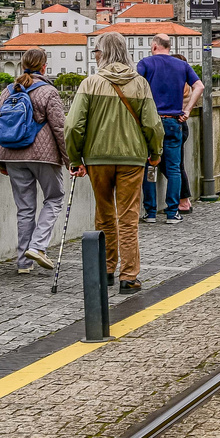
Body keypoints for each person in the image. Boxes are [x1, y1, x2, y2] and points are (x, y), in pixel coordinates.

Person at [65, 31, 164, 295]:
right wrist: (155, 153)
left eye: (96, 52)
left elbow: (74, 126)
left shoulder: (90, 83)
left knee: (104, 214)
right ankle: (129, 276)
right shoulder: (139, 83)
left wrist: (76, 158)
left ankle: (107, 269)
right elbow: (153, 125)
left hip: (98, 159)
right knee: (128, 217)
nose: (95, 56)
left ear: (103, 54)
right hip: (132, 158)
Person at [0, 48, 69, 275]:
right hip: (43, 156)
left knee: (25, 209)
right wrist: (69, 159)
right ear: (44, 66)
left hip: (12, 155)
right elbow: (59, 129)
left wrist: (0, 159)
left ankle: (23, 263)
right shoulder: (48, 91)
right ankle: (37, 247)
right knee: (54, 198)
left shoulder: (8, 91)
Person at [137, 32, 202, 224]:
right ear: (169, 47)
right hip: (174, 121)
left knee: (150, 165)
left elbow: (136, 88)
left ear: (155, 46)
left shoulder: (145, 63)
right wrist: (187, 110)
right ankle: (172, 212)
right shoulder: (182, 65)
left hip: (151, 122)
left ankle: (150, 213)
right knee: (174, 168)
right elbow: (199, 87)